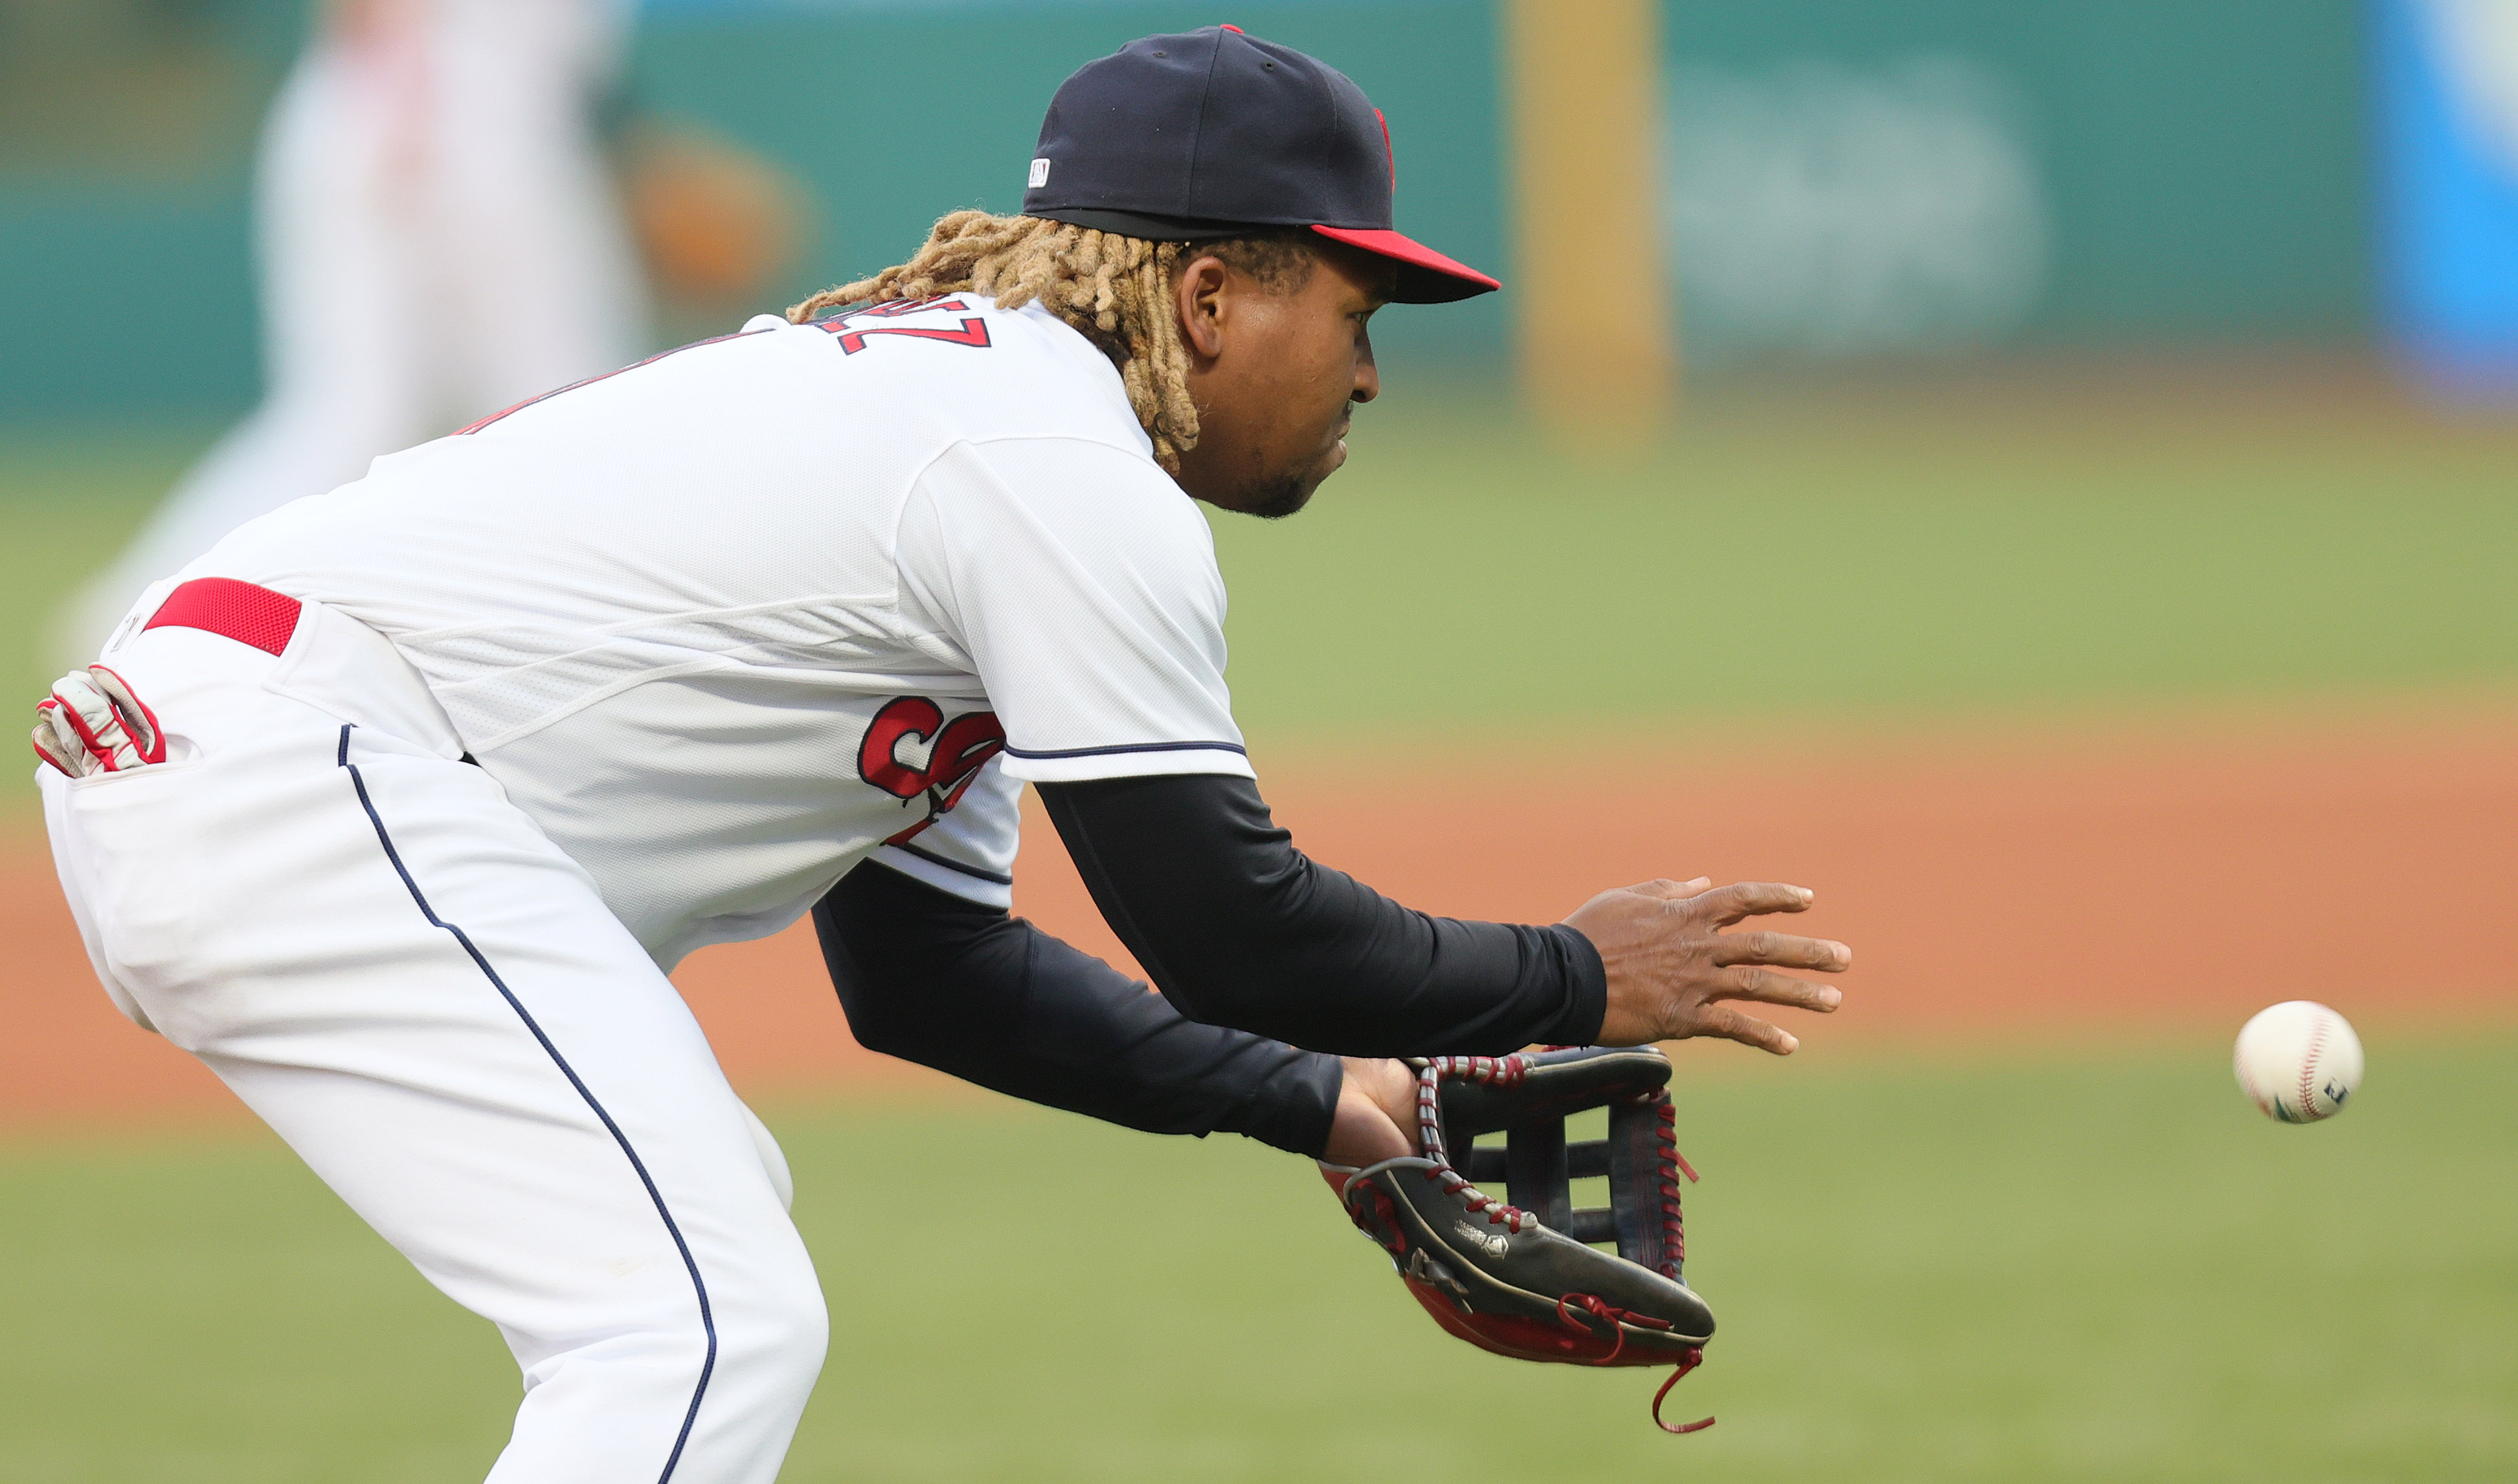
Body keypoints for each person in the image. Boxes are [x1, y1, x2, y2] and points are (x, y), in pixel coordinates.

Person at [34, 27, 1848, 1483]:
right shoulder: (1043, 462)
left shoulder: (973, 443)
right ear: (1210, 299)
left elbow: (934, 974)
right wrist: (1580, 974)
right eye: (1349, 314)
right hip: (295, 762)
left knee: (691, 1277)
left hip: (254, 763)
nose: (1366, 376)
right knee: (696, 1326)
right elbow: (1230, 923)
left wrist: (1324, 1099)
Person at [52, 0, 647, 673]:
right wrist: (410, 104)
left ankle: (144, 612)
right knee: (554, 407)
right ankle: (152, 612)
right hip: (432, 122)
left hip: (444, 117)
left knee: (390, 410)